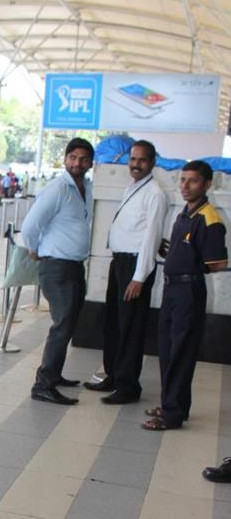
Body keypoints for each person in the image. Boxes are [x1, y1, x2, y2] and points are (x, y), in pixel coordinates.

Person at [142, 160, 227, 431]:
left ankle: (172, 414)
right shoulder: (185, 214)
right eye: (183, 180)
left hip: (188, 291)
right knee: (167, 349)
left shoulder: (209, 217)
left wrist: (190, 265)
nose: (186, 186)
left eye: (193, 181)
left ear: (207, 184)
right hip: (172, 289)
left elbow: (218, 263)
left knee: (180, 351)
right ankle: (173, 404)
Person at [85, 140, 168, 404]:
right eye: (133, 159)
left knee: (130, 328)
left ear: (152, 162)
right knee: (113, 324)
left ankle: (128, 385)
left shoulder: (155, 193)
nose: (135, 164)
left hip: (135, 267)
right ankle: (113, 374)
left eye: (142, 160)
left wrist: (139, 277)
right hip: (119, 263)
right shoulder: (133, 187)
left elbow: (151, 239)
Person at [21, 137, 95, 405]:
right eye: (73, 157)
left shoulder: (86, 186)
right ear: (65, 159)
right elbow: (30, 225)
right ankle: (44, 384)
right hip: (57, 267)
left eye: (83, 159)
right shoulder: (58, 188)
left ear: (90, 163)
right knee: (62, 325)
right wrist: (33, 248)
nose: (78, 163)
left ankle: (55, 374)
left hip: (74, 266)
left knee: (68, 323)